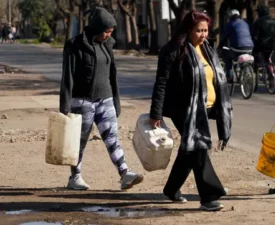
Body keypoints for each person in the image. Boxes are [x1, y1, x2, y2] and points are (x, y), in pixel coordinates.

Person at [149, 10, 232, 211]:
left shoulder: (207, 49)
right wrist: (156, 113)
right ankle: (209, 197)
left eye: (205, 31)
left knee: (189, 150)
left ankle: (171, 189)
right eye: (199, 31)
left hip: (205, 108)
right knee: (200, 148)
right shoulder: (174, 50)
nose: (203, 35)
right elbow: (161, 82)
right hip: (183, 109)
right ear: (188, 29)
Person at [59, 7, 144, 191]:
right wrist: (65, 107)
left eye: (111, 32)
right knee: (79, 142)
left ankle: (124, 174)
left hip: (105, 99)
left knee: (112, 137)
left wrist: (116, 101)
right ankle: (75, 177)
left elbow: (112, 75)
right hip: (82, 102)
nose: (108, 35)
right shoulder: (74, 45)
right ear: (97, 28)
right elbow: (67, 77)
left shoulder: (107, 45)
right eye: (106, 31)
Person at [218, 9, 254, 82]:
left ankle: (230, 76)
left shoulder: (230, 24)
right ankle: (244, 69)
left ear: (230, 17)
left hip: (237, 48)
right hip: (250, 47)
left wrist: (219, 47)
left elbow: (224, 38)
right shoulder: (245, 23)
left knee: (228, 56)